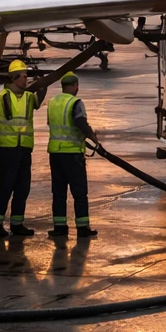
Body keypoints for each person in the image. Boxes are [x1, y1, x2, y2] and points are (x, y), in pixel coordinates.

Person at [0, 59, 46, 238]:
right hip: (8, 149)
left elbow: (37, 100)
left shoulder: (28, 97)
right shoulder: (3, 97)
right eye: (23, 76)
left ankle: (17, 223)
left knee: (23, 188)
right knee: (6, 187)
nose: (26, 80)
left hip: (24, 149)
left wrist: (43, 84)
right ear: (14, 78)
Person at [46, 71, 99, 239]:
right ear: (75, 86)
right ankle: (82, 227)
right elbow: (79, 122)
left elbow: (52, 123)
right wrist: (92, 136)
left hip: (55, 152)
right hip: (72, 153)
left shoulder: (52, 102)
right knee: (79, 192)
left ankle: (60, 227)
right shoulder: (76, 102)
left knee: (59, 192)